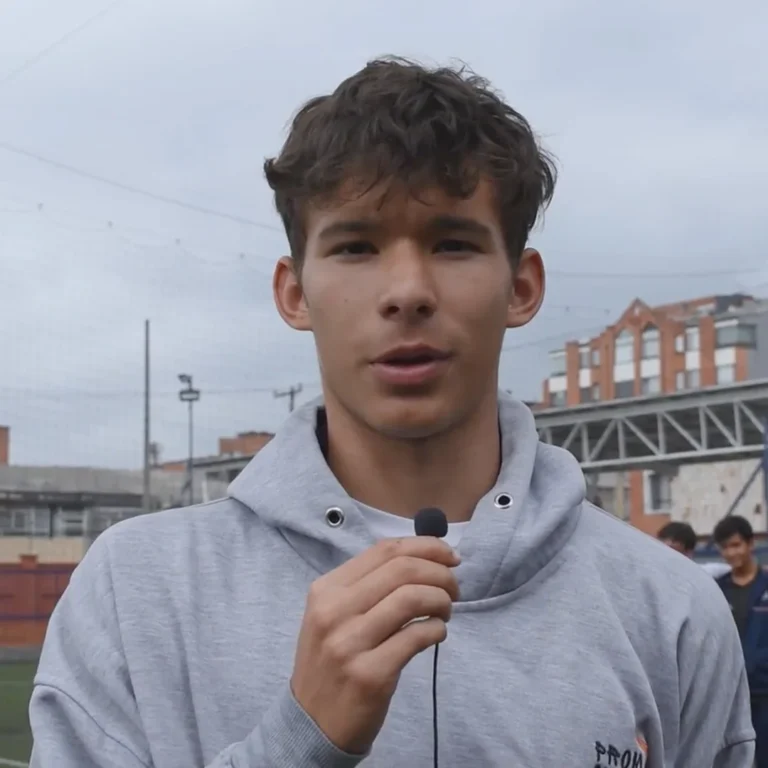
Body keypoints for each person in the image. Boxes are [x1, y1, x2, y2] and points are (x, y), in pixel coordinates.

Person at [29, 57, 754, 767]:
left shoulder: (672, 610)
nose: (407, 290)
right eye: (356, 246)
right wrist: (297, 743)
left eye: (453, 243)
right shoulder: (136, 589)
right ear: (294, 293)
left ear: (521, 287)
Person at [714, 515, 768, 767]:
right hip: (729, 696)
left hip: (764, 693)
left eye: (736, 545)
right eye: (725, 547)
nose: (731, 553)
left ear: (750, 544)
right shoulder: (716, 590)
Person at [657, 520, 731, 578]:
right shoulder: (654, 578)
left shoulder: (705, 574)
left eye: (671, 551)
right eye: (661, 550)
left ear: (688, 553)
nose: (665, 556)